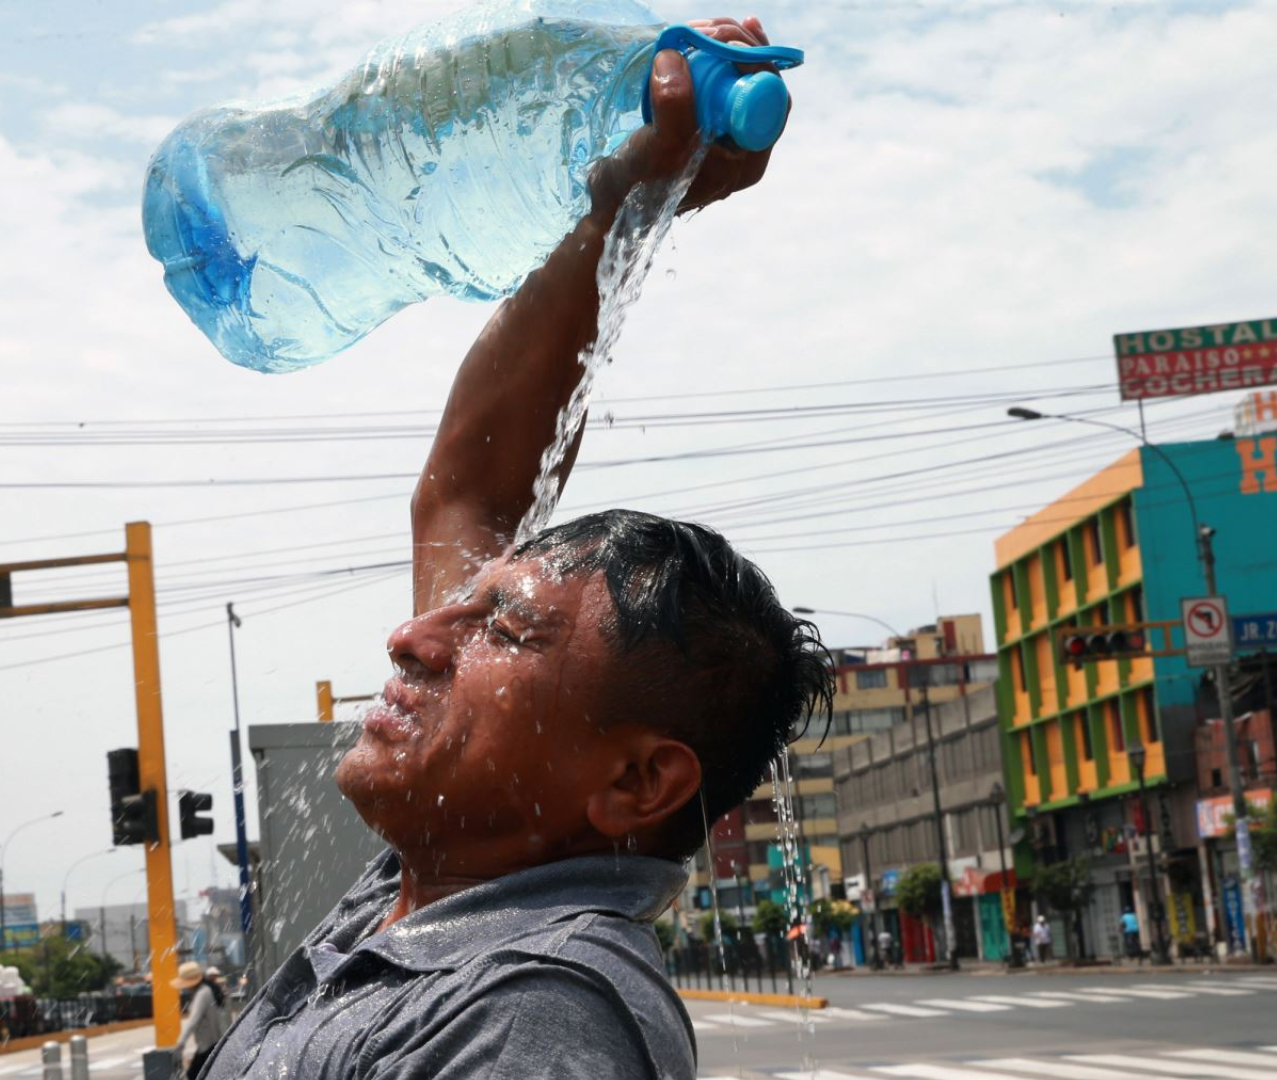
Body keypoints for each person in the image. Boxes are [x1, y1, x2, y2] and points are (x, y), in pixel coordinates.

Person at [204, 17, 827, 1080]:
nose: (411, 636)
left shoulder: (532, 1017)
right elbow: (474, 484)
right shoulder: (434, 894)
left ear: (635, 783)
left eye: (504, 626)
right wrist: (630, 204)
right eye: (472, 604)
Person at [171, 962, 227, 1080]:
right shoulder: (206, 989)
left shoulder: (202, 993)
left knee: (194, 1075)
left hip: (208, 1045)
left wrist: (180, 1043)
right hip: (211, 1043)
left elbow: (193, 1020)